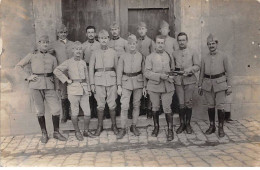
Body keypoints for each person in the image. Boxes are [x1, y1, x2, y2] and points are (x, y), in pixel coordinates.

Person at [15, 35, 67, 143]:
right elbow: (18, 66)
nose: (45, 44)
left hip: (49, 85)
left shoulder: (52, 58)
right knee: (39, 111)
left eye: (47, 43)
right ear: (39, 43)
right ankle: (44, 133)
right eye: (43, 42)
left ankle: (56, 132)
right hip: (36, 86)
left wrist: (57, 88)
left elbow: (55, 74)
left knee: (56, 109)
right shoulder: (32, 55)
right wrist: (28, 77)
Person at [54, 41, 95, 141]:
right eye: (76, 49)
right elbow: (56, 70)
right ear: (73, 50)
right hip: (73, 89)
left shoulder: (83, 62)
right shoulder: (68, 62)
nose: (78, 51)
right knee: (75, 111)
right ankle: (77, 132)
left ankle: (86, 131)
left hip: (84, 89)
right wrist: (66, 79)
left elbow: (87, 77)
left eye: (80, 49)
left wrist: (89, 89)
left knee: (87, 112)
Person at [198, 33, 232, 138]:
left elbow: (229, 72)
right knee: (210, 106)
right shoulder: (204, 58)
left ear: (217, 44)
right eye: (209, 44)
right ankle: (212, 126)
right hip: (208, 84)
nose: (211, 46)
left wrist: (229, 86)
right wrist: (200, 85)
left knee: (220, 106)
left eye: (213, 43)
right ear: (207, 45)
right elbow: (201, 73)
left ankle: (221, 128)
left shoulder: (224, 56)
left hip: (220, 84)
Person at [144, 35, 175, 141]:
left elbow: (173, 70)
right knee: (155, 107)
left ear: (164, 44)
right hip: (154, 86)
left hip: (167, 86)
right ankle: (156, 127)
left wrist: (171, 76)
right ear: (155, 44)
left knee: (167, 107)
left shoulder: (169, 56)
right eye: (158, 43)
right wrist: (159, 76)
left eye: (162, 43)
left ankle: (170, 129)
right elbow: (147, 73)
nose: (160, 45)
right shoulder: (150, 57)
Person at [89, 29, 119, 136]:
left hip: (112, 81)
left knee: (112, 104)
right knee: (100, 104)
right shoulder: (94, 53)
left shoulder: (113, 52)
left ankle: (114, 125)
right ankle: (99, 126)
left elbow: (117, 68)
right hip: (99, 81)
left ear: (108, 39)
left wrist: (118, 83)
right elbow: (91, 69)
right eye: (101, 38)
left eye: (105, 38)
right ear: (98, 39)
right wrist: (92, 84)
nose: (103, 40)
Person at [116, 34, 147, 139]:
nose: (132, 46)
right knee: (124, 106)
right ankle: (123, 128)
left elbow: (144, 72)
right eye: (130, 44)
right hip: (125, 82)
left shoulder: (140, 56)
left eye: (134, 44)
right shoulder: (123, 56)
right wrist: (119, 86)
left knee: (136, 105)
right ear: (127, 45)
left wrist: (144, 86)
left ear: (136, 44)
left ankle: (134, 126)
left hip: (138, 82)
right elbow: (119, 71)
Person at [173, 32, 200, 134]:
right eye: (179, 40)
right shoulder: (174, 53)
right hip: (179, 81)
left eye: (183, 40)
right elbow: (172, 67)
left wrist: (189, 69)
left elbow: (197, 66)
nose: (181, 42)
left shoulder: (193, 52)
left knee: (188, 102)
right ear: (177, 41)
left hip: (190, 80)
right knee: (181, 103)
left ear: (187, 41)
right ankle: (182, 124)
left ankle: (188, 124)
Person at [51, 24, 74, 123]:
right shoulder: (53, 45)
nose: (63, 34)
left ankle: (73, 113)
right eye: (61, 32)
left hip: (72, 73)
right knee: (63, 94)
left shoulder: (72, 44)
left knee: (73, 93)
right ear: (57, 34)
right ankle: (65, 114)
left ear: (67, 33)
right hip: (61, 74)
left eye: (64, 32)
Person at [159, 20, 180, 118]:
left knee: (172, 87)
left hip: (171, 67)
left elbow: (177, 54)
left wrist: (175, 67)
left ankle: (174, 108)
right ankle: (160, 108)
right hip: (160, 68)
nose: (164, 30)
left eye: (166, 29)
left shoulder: (173, 41)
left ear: (169, 30)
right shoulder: (158, 40)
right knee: (161, 87)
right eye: (162, 29)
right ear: (160, 30)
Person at [108, 21, 129, 118]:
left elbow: (128, 56)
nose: (114, 31)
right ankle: (113, 111)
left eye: (116, 29)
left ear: (119, 30)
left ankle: (124, 111)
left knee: (124, 90)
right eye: (112, 30)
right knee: (113, 90)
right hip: (112, 70)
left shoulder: (124, 42)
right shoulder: (108, 42)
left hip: (123, 70)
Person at [136, 21, 155, 118]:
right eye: (139, 29)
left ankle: (149, 109)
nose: (141, 31)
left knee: (149, 87)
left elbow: (153, 56)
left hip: (148, 67)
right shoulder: (136, 41)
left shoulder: (151, 41)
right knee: (140, 87)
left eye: (143, 28)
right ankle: (141, 109)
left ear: (146, 30)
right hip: (138, 68)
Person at [82, 25, 100, 119]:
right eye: (89, 32)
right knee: (89, 90)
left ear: (95, 33)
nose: (90, 34)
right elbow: (81, 60)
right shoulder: (83, 46)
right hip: (87, 69)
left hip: (97, 70)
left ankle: (98, 112)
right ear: (86, 34)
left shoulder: (99, 44)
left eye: (92, 32)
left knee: (97, 89)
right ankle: (90, 112)